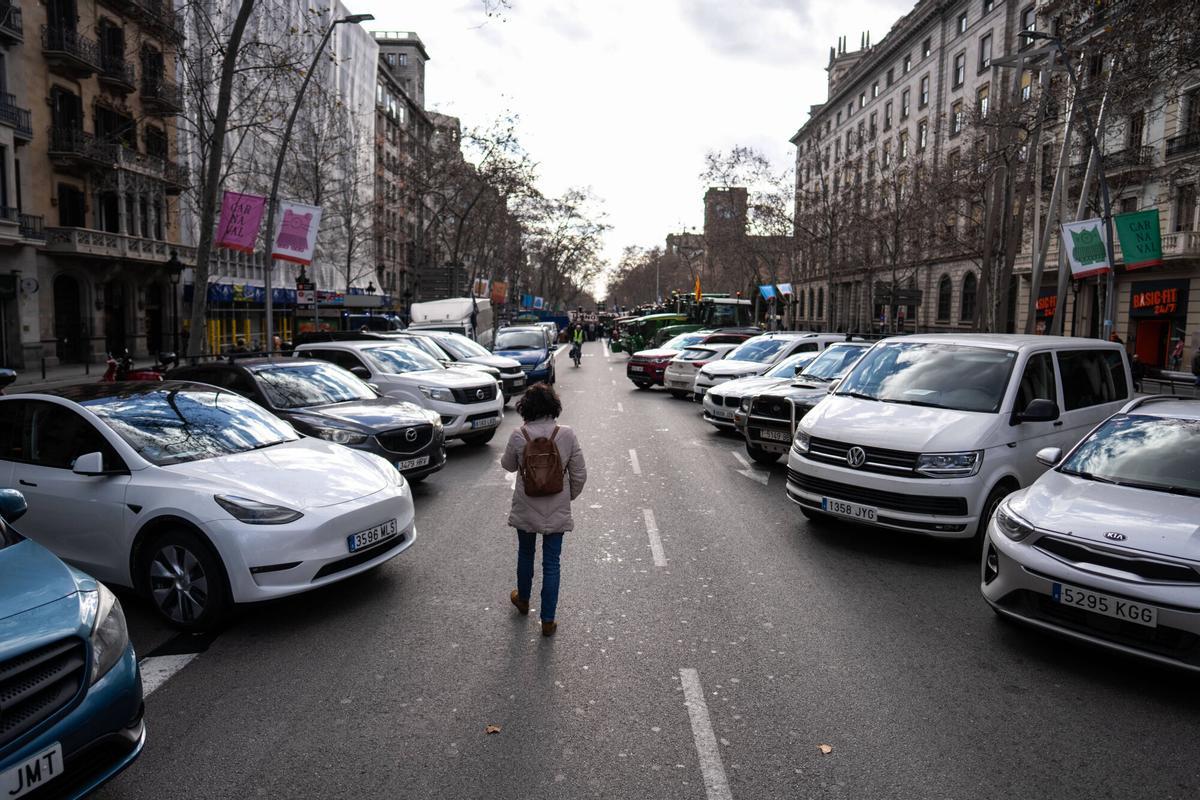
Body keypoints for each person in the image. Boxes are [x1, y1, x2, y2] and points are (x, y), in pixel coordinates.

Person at [501, 383, 587, 637]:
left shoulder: (519, 435)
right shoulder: (567, 434)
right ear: (553, 406)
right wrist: (565, 497)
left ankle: (523, 600)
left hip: (526, 507)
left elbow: (508, 466)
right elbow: (579, 474)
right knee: (552, 564)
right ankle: (548, 620)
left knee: (525, 555)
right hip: (557, 508)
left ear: (525, 407)